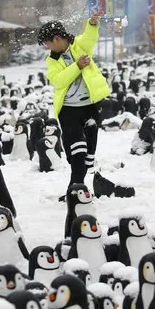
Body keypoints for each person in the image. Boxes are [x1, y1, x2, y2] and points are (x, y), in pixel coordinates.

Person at [37, 14, 111, 199]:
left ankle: (76, 187)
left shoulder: (79, 46)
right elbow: (59, 81)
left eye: (47, 43)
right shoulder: (52, 60)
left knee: (88, 154)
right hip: (69, 110)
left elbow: (89, 37)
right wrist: (77, 66)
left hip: (90, 107)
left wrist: (92, 24)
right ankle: (76, 189)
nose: (47, 47)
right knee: (77, 152)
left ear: (56, 39)